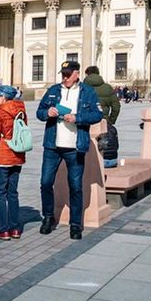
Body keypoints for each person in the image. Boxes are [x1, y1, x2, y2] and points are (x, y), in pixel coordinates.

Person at [36, 61, 103, 240]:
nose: (64, 78)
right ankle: (48, 218)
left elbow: (97, 115)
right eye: (63, 74)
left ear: (77, 74)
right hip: (52, 145)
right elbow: (39, 112)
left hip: (75, 146)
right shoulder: (53, 90)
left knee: (75, 186)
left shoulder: (87, 92)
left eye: (68, 74)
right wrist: (47, 112)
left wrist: (77, 117)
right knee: (45, 182)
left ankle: (75, 224)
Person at [0, 85, 27, 241]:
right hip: (16, 156)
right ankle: (15, 228)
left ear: (3, 98)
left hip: (1, 157)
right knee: (13, 193)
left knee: (0, 194)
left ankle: (4, 230)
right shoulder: (21, 110)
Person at [83, 66, 120, 168]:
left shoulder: (82, 87)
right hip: (103, 120)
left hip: (86, 121)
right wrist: (111, 120)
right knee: (105, 145)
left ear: (87, 74)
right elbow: (116, 106)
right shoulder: (107, 88)